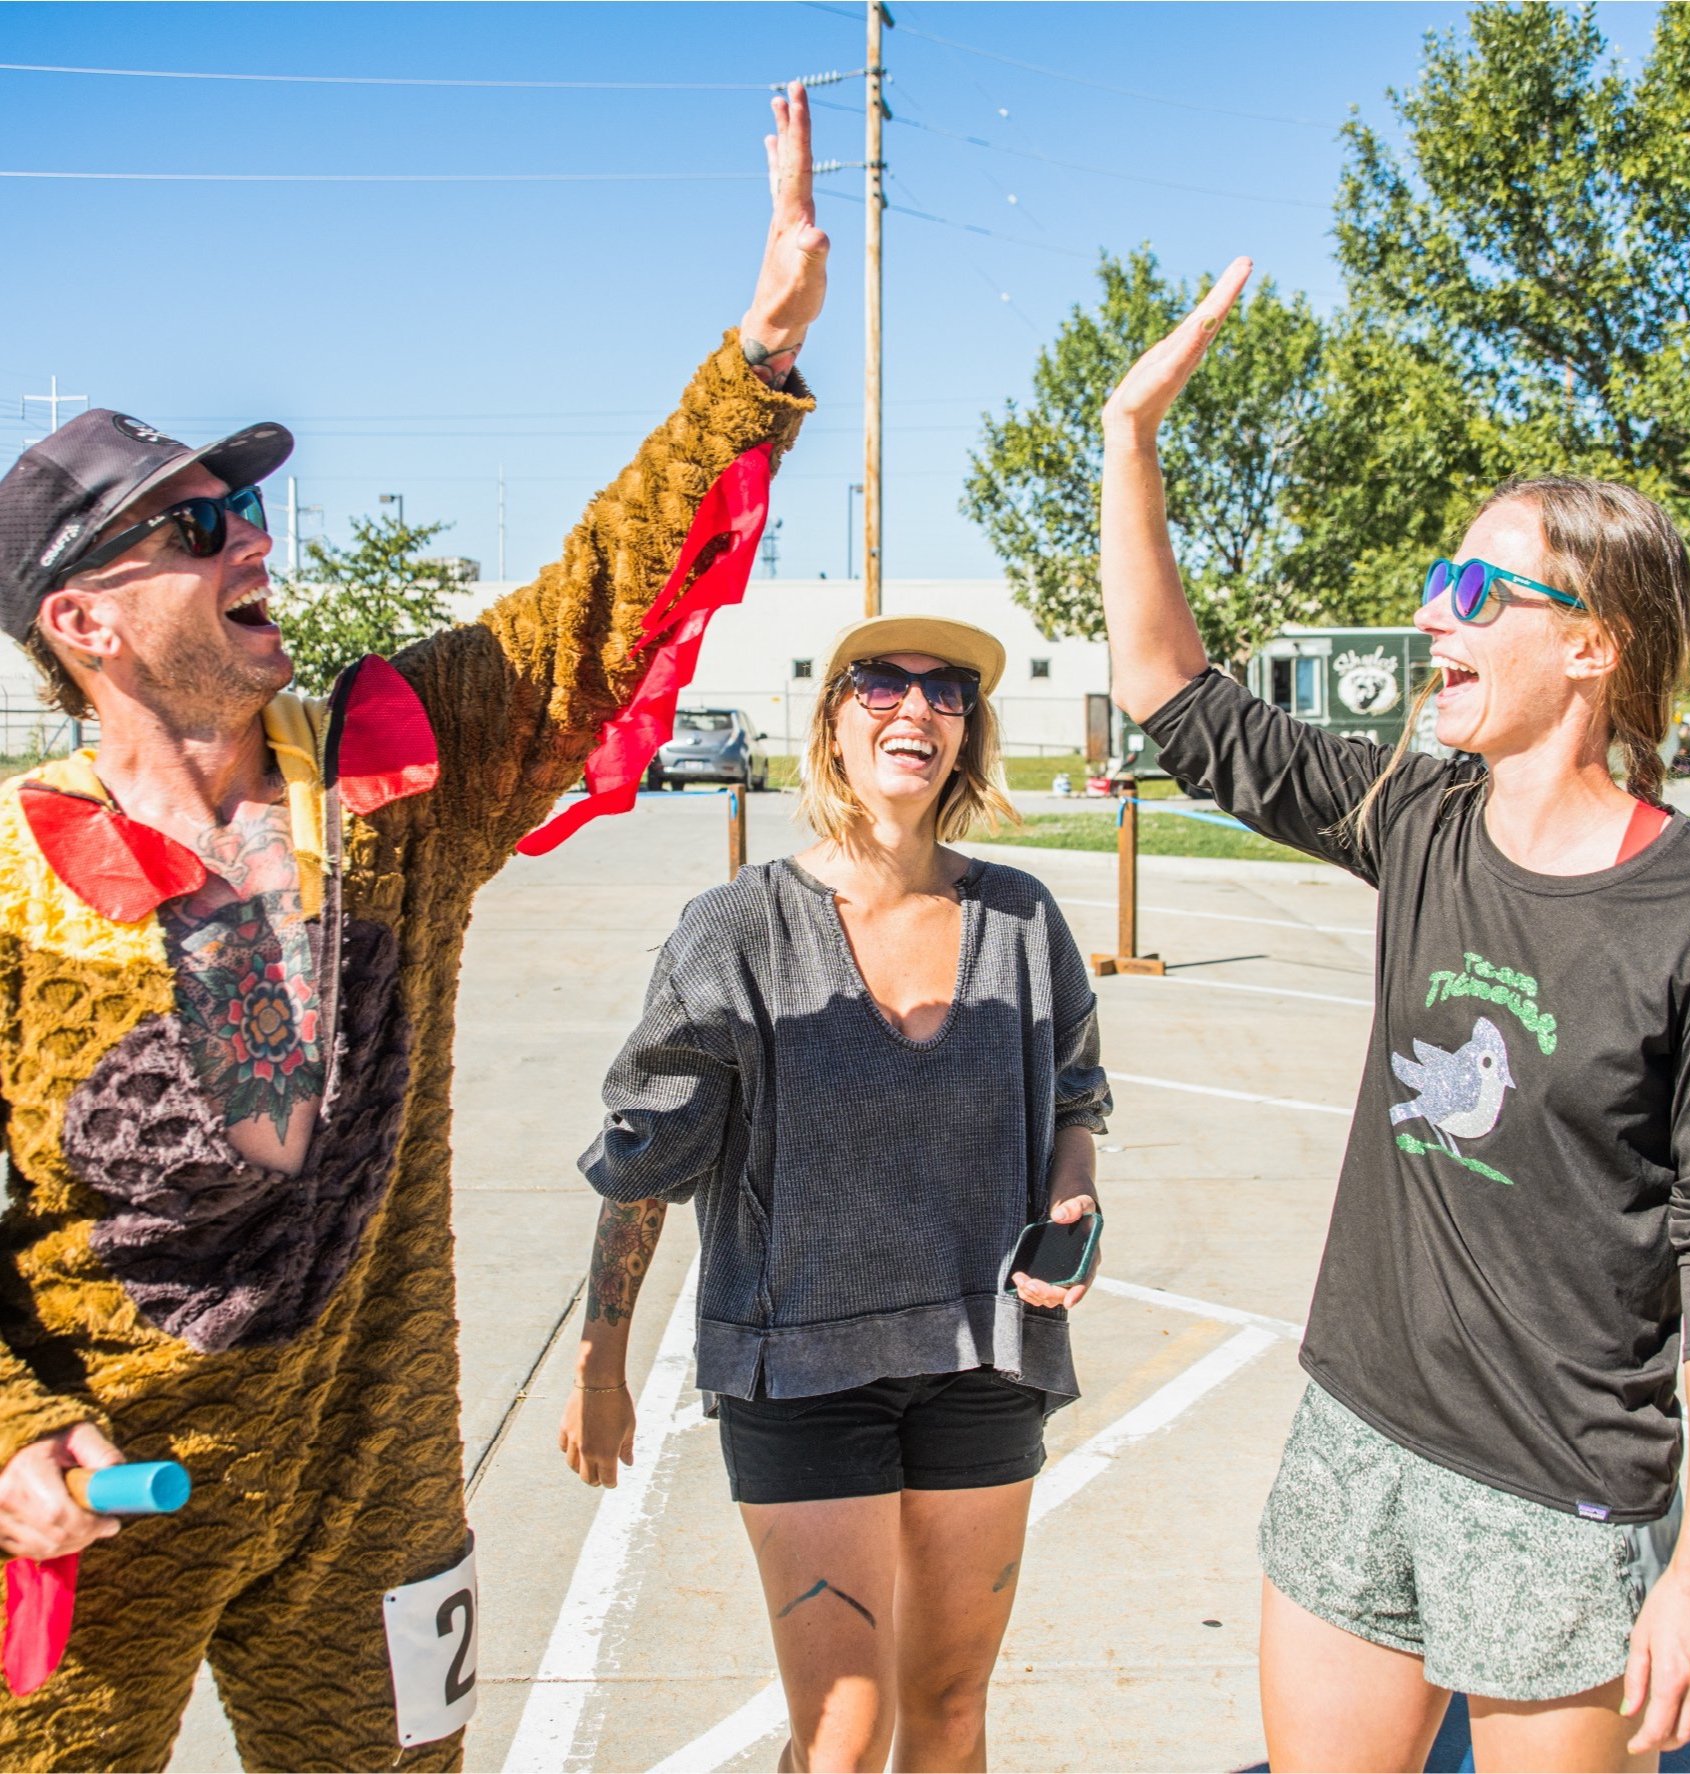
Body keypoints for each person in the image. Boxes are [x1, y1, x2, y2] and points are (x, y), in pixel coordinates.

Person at [0, 87, 826, 1772]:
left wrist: (749, 360)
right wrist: (14, 1425)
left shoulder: (389, 767)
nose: (253, 535)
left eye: (243, 509)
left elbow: (593, 598)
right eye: (196, 524)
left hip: (368, 1488)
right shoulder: (13, 882)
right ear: (80, 619)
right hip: (104, 1498)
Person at [1099, 258, 1690, 1772]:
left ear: (1588, 645)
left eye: (1475, 591)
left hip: (1557, 1492)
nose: (1430, 615)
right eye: (1435, 584)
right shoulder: (1416, 814)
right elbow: (1177, 701)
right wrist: (1128, 436)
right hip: (1357, 1430)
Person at [559, 615, 1111, 1773]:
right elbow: (647, 1153)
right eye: (880, 683)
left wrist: (1073, 1191)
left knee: (951, 1707)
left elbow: (1075, 1089)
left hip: (984, 1357)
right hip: (800, 1366)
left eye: (947, 690)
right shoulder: (739, 928)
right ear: (831, 725)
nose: (915, 706)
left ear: (968, 733)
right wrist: (599, 1364)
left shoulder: (1019, 917)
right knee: (843, 1732)